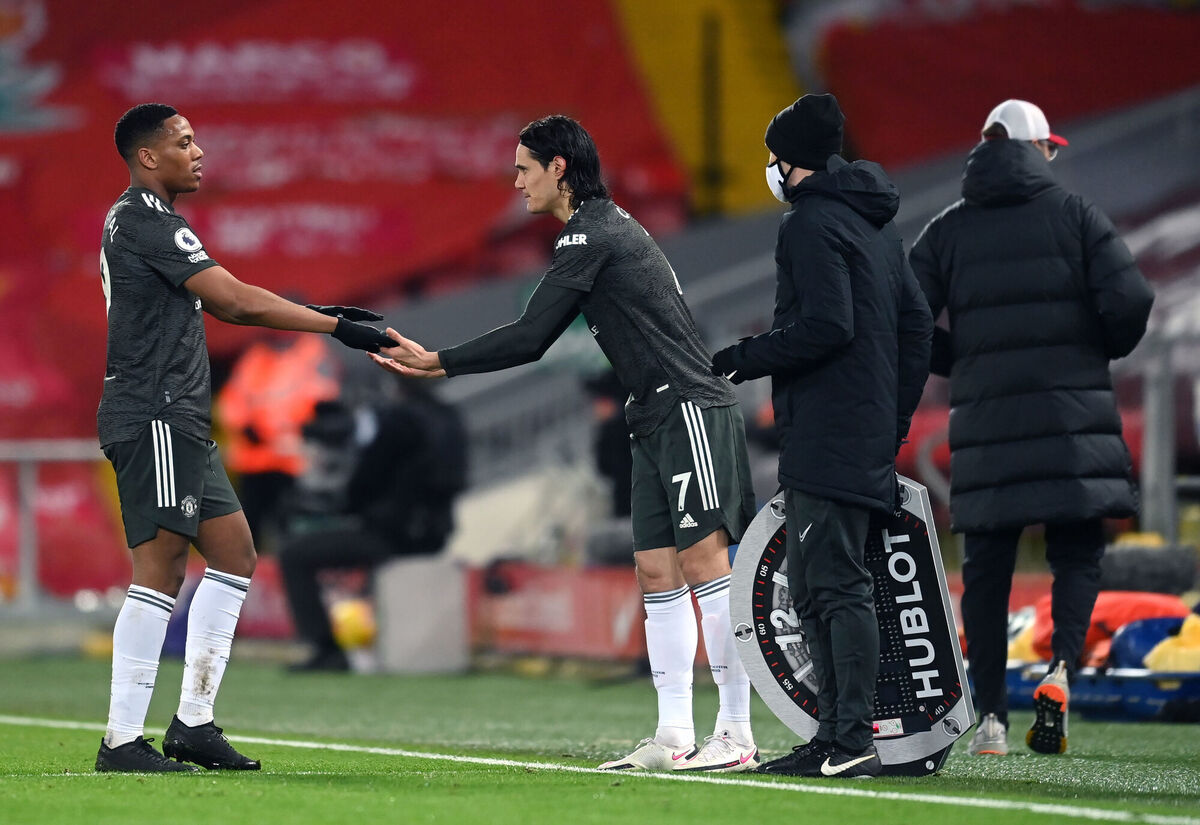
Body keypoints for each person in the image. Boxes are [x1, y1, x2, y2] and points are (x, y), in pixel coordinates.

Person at [371, 115, 760, 773]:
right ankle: (672, 733)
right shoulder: (602, 230)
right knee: (657, 571)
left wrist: (438, 361)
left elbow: (532, 335)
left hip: (690, 407)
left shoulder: (591, 230)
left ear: (558, 168)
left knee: (704, 564)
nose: (516, 181)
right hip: (651, 414)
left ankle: (738, 732)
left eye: (524, 168)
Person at [95, 103, 393, 773]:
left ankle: (193, 723)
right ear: (148, 156)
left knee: (235, 553)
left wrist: (328, 315)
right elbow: (234, 300)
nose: (198, 152)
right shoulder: (145, 220)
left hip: (182, 420)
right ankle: (121, 739)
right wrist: (335, 325)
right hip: (154, 414)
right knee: (162, 568)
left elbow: (233, 294)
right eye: (183, 142)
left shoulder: (149, 221)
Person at [908, 99, 1154, 756]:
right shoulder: (1077, 216)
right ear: (1036, 149)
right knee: (1076, 553)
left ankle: (991, 718)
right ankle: (1061, 669)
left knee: (986, 573)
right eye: (1049, 147)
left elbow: (902, 314)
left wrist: (957, 360)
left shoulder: (948, 229)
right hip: (1072, 422)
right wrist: (1098, 347)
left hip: (987, 427)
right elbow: (1133, 298)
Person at [709, 93, 933, 778]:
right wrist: (891, 419)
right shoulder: (878, 227)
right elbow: (917, 326)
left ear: (789, 161)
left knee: (833, 587)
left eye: (773, 157)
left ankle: (851, 736)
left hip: (828, 429)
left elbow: (827, 325)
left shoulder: (810, 224)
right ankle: (832, 735)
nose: (771, 171)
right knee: (813, 587)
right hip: (859, 428)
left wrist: (743, 357)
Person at [280, 378, 468, 672]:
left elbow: (369, 478)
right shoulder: (448, 417)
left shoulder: (397, 421)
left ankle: (326, 649)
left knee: (294, 554)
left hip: (392, 534)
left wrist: (351, 502)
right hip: (434, 533)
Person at [216, 328, 341, 550]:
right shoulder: (256, 357)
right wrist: (244, 425)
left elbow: (324, 397)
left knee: (293, 523)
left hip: (292, 459)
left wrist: (298, 430)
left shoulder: (312, 352)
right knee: (249, 523)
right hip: (255, 460)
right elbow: (232, 399)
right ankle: (251, 575)